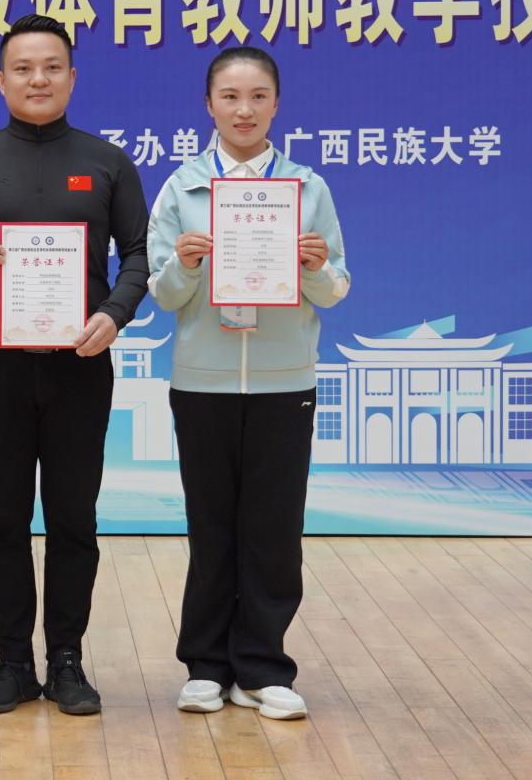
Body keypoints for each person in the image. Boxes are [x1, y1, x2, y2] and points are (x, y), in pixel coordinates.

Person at [0, 14, 149, 716]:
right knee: (3, 517)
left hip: (81, 362)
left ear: (72, 77)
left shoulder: (109, 162)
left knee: (75, 517)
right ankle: (14, 663)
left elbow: (139, 254)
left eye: (52, 67)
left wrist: (114, 314)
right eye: (23, 68)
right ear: (1, 80)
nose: (38, 79)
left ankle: (67, 660)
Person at [145, 46, 349, 722]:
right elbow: (163, 294)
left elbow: (336, 288)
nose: (244, 110)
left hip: (283, 381)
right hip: (201, 382)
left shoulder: (308, 189)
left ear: (276, 104)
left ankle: (262, 669)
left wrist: (314, 268)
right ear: (208, 105)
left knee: (273, 529)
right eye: (230, 96)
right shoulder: (181, 189)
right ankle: (206, 666)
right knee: (211, 527)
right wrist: (185, 264)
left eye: (258, 96)